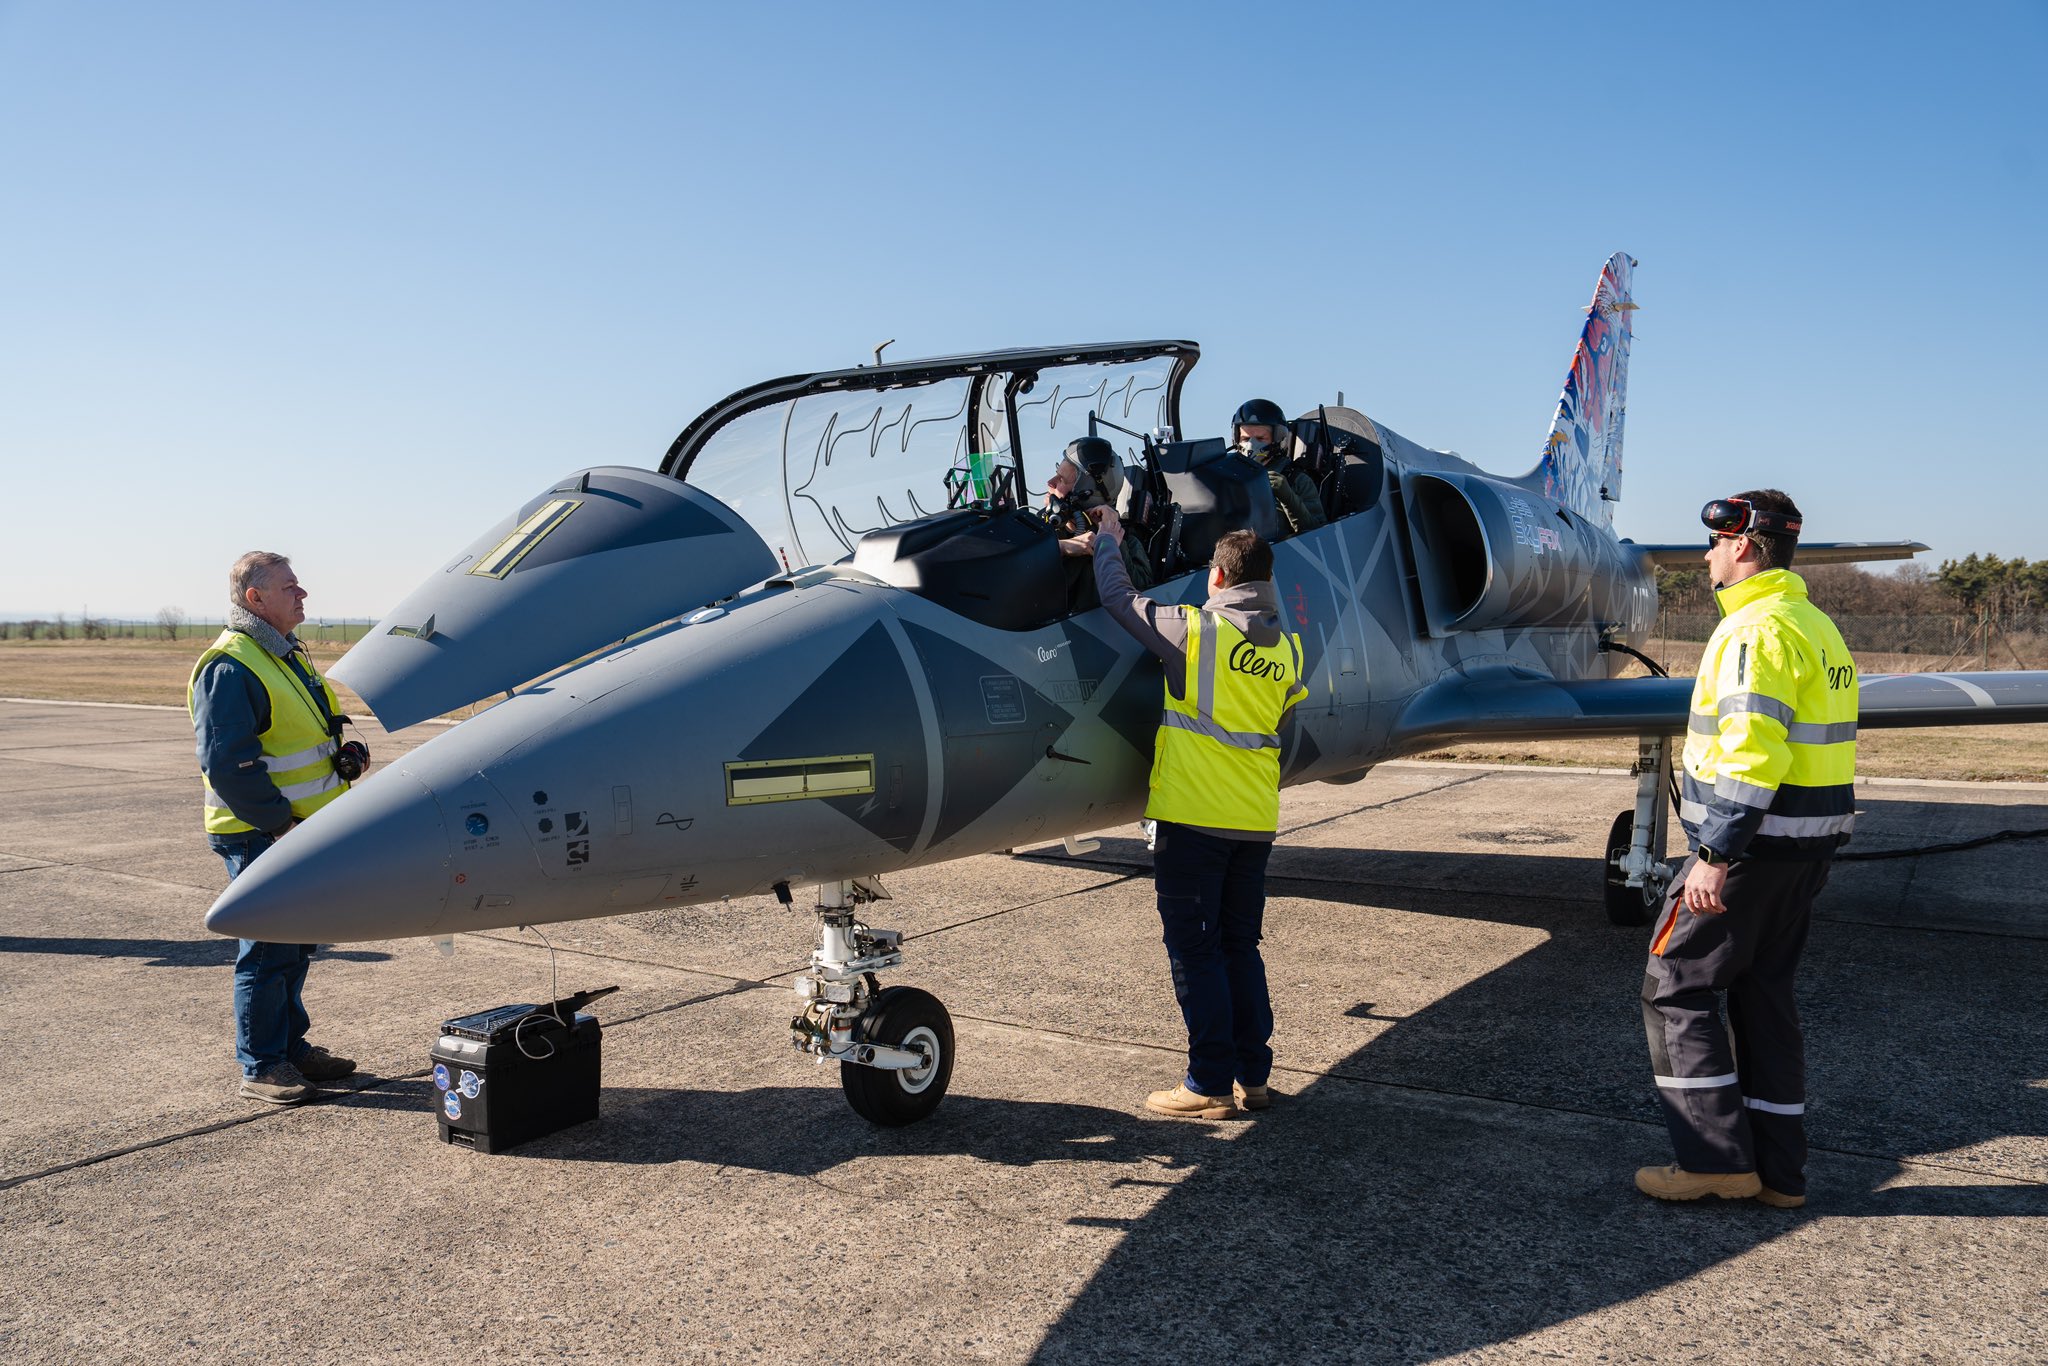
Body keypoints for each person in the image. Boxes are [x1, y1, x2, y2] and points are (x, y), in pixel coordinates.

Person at [1637, 490, 1856, 1208]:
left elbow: (1751, 752)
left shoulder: (1752, 633)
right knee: (1764, 995)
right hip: (1805, 849)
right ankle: (1778, 1173)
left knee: (1675, 983)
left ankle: (1712, 1160)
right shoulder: (1816, 625)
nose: (1706, 557)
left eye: (1715, 544)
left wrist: (1714, 853)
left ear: (1745, 547)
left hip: (1750, 849)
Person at [1089, 509, 1307, 1118]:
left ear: (1216, 578)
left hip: (1192, 819)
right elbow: (1278, 723)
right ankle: (1252, 1077)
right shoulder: (1287, 652)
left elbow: (1116, 596)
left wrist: (1107, 540)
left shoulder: (1196, 631)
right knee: (1241, 945)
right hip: (1255, 822)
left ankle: (1207, 1082)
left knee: (1195, 950)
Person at [189, 552, 361, 1104]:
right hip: (259, 830)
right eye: (290, 587)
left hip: (299, 827)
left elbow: (299, 736)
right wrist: (280, 823)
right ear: (254, 598)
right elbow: (228, 764)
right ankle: (262, 1066)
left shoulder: (283, 655)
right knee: (267, 948)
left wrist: (345, 755)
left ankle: (290, 1047)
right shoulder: (231, 664)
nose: (303, 593)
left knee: (294, 944)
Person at [1045, 437, 1154, 589]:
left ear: (1086, 493)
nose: (1050, 482)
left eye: (1062, 479)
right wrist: (1061, 548)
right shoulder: (1040, 530)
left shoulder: (1126, 541)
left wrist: (1111, 541)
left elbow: (1142, 591)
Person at [1229, 398, 1325, 536]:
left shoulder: (1296, 480)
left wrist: (1288, 497)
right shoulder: (1228, 476)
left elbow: (1320, 536)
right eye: (1245, 439)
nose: (1250, 445)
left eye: (1260, 439)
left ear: (1278, 439)